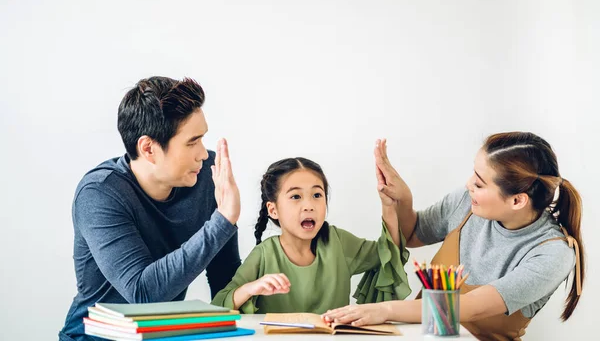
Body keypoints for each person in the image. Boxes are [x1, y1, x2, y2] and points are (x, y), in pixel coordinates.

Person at [323, 133, 584, 340]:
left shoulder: (553, 254)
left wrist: (382, 310)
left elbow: (465, 307)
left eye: (480, 183)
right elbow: (412, 234)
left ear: (517, 200)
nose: (469, 183)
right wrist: (401, 200)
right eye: (474, 173)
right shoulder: (466, 202)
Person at [59, 77, 242, 341]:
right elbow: (143, 293)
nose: (203, 154)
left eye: (203, 139)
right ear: (148, 149)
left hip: (162, 337)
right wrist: (223, 220)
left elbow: (225, 279)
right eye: (192, 142)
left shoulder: (206, 174)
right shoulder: (99, 193)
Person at [211, 154, 412, 313]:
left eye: (317, 195)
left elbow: (388, 255)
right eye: (296, 196)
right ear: (273, 210)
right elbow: (221, 304)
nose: (309, 205)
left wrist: (388, 206)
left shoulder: (338, 242)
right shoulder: (264, 255)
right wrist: (251, 288)